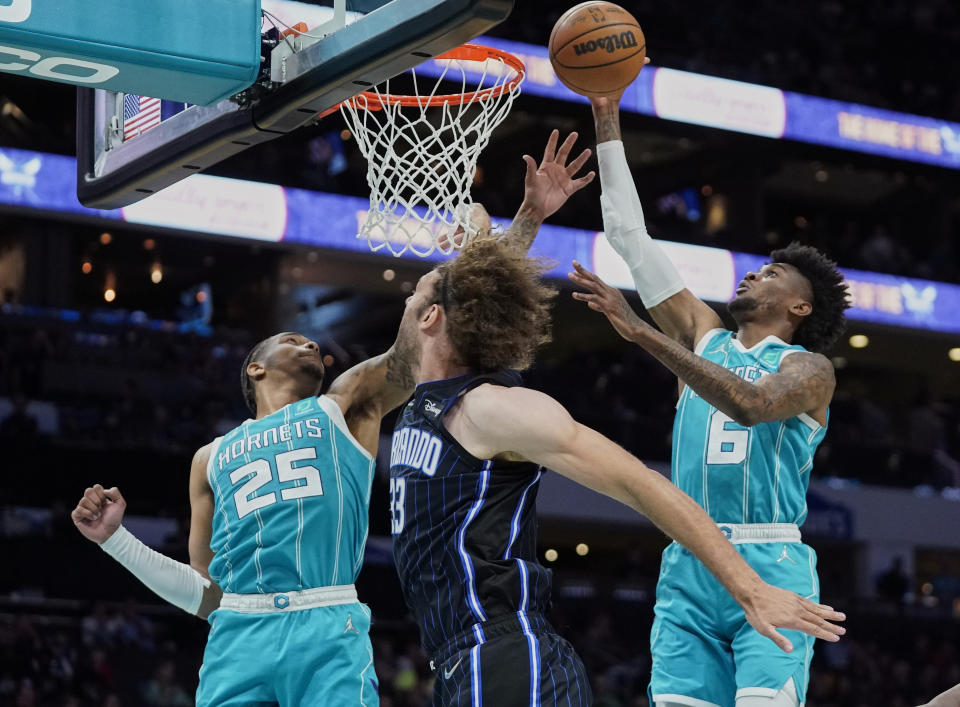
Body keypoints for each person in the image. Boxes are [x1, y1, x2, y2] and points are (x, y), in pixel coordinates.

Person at [69, 129, 597, 707]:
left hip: (327, 623)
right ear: (254, 370)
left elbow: (438, 332)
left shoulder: (344, 405)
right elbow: (207, 593)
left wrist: (524, 220)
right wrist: (116, 540)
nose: (312, 346)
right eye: (292, 338)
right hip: (237, 637)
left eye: (315, 346)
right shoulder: (209, 458)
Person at [388, 236, 845, 707]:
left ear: (430, 317)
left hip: (506, 653)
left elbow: (644, 483)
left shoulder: (492, 410)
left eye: (417, 292)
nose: (406, 297)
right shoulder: (417, 401)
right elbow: (470, 286)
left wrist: (750, 589)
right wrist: (525, 218)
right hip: (459, 657)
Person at [568, 92, 851, 707]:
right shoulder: (702, 334)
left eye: (773, 274)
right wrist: (606, 110)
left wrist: (641, 332)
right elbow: (627, 233)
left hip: (770, 557)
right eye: (757, 268)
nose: (753, 274)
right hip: (690, 556)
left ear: (800, 308)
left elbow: (748, 404)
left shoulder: (809, 369)